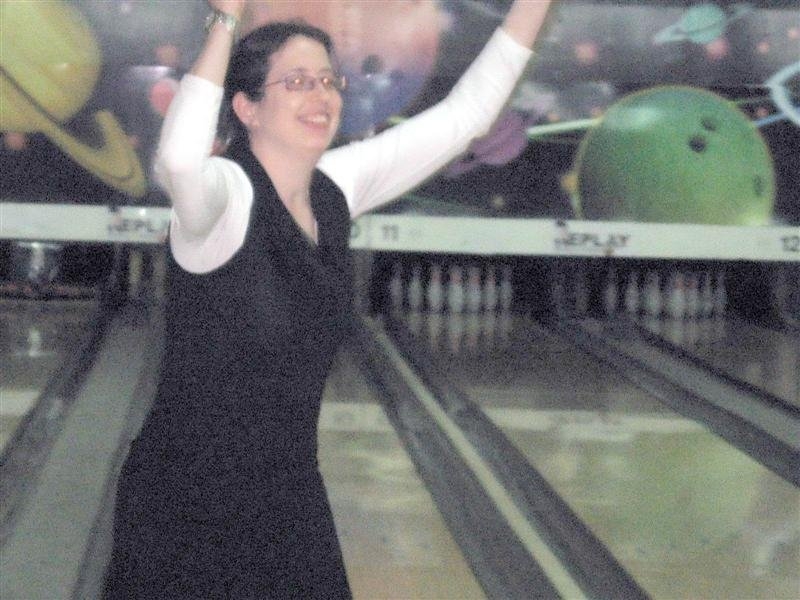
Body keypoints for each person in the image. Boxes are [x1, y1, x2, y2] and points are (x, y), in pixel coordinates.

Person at [102, 0, 555, 597]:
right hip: (184, 508)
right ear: (247, 108)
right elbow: (179, 162)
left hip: (289, 499)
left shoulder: (336, 189)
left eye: (327, 80)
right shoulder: (224, 196)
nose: (320, 95)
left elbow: (466, 115)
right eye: (295, 82)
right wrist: (226, 20)